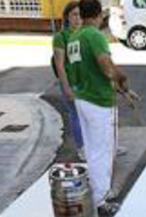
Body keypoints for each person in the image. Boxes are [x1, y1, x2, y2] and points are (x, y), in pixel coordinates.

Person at [67, 0, 129, 213]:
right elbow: (105, 65)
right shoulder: (94, 35)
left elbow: (86, 69)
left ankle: (96, 192)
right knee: (103, 150)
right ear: (98, 15)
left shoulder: (74, 37)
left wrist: (116, 85)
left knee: (93, 150)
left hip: (82, 98)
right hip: (98, 101)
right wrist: (121, 78)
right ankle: (100, 198)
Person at [53, 2, 85, 160]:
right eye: (74, 15)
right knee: (77, 116)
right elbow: (59, 65)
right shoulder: (61, 37)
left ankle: (100, 145)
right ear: (67, 17)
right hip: (72, 83)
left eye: (80, 15)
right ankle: (82, 148)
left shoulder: (86, 34)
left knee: (91, 116)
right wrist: (67, 88)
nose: (78, 18)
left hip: (87, 83)